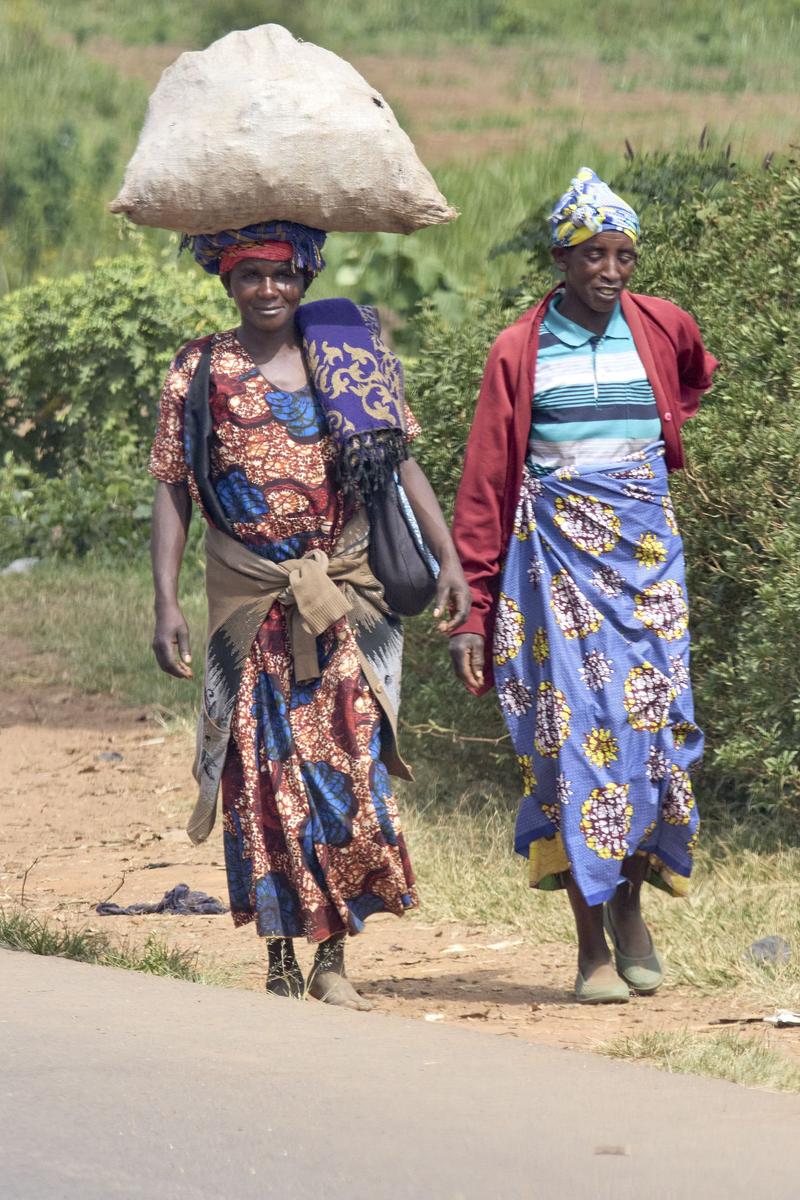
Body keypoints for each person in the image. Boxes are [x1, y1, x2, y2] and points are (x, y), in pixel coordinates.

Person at [149, 220, 470, 1010]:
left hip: (342, 600)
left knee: (348, 772)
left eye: (284, 275)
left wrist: (451, 556)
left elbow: (401, 461)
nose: (269, 290)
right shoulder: (200, 369)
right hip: (249, 604)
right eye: (251, 275)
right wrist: (164, 599)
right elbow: (172, 485)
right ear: (227, 282)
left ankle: (334, 957)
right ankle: (281, 957)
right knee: (260, 778)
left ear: (306, 277)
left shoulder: (346, 353)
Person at [449, 169, 718, 1003]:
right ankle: (590, 946)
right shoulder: (518, 350)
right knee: (571, 747)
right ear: (561, 259)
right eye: (593, 255)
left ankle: (632, 910)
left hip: (645, 569)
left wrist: (633, 476)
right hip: (553, 574)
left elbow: (691, 382)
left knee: (649, 736)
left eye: (624, 255)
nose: (611, 270)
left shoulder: (663, 327)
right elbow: (489, 481)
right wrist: (473, 611)